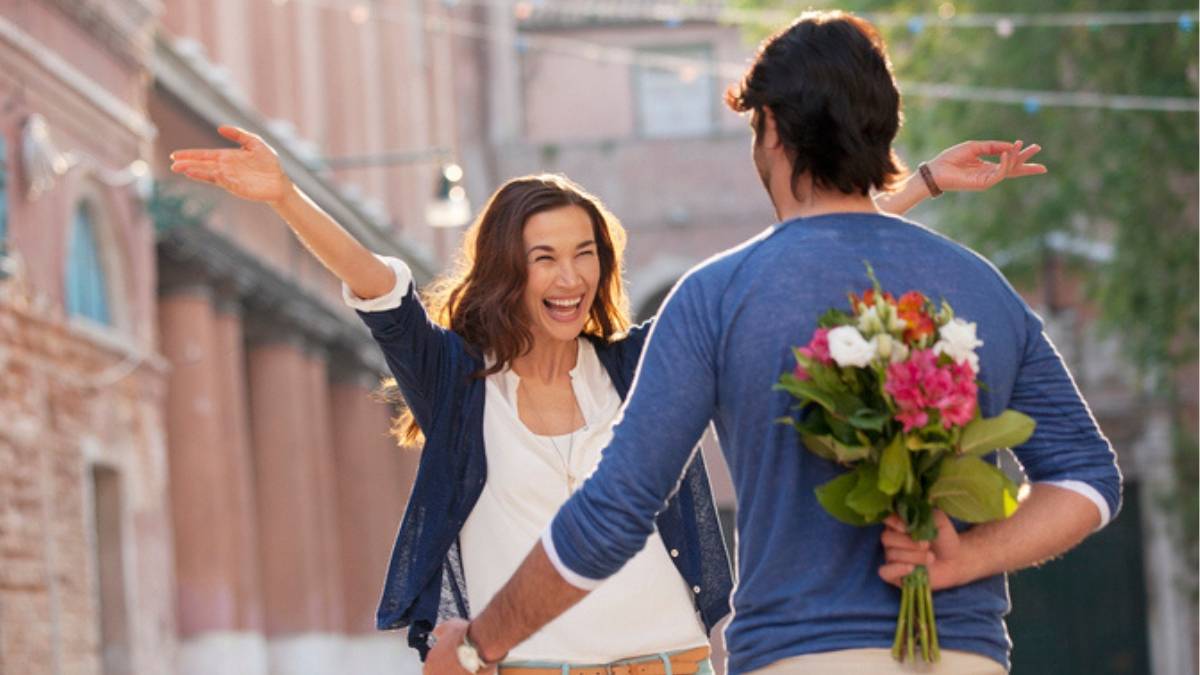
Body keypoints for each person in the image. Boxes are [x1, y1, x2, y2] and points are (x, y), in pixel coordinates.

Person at [169, 112, 1044, 672]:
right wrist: (282, 194)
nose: (570, 276)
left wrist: (918, 184)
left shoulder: (639, 366)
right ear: (508, 271)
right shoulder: (457, 383)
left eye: (585, 253)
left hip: (672, 663)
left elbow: (771, 268)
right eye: (544, 256)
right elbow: (377, 287)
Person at [421, 10, 1121, 675]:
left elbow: (613, 513)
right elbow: (1088, 478)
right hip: (965, 655)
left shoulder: (719, 295)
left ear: (774, 132)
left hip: (796, 655)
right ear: (883, 134)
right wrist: (961, 559)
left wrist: (481, 643)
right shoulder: (977, 288)